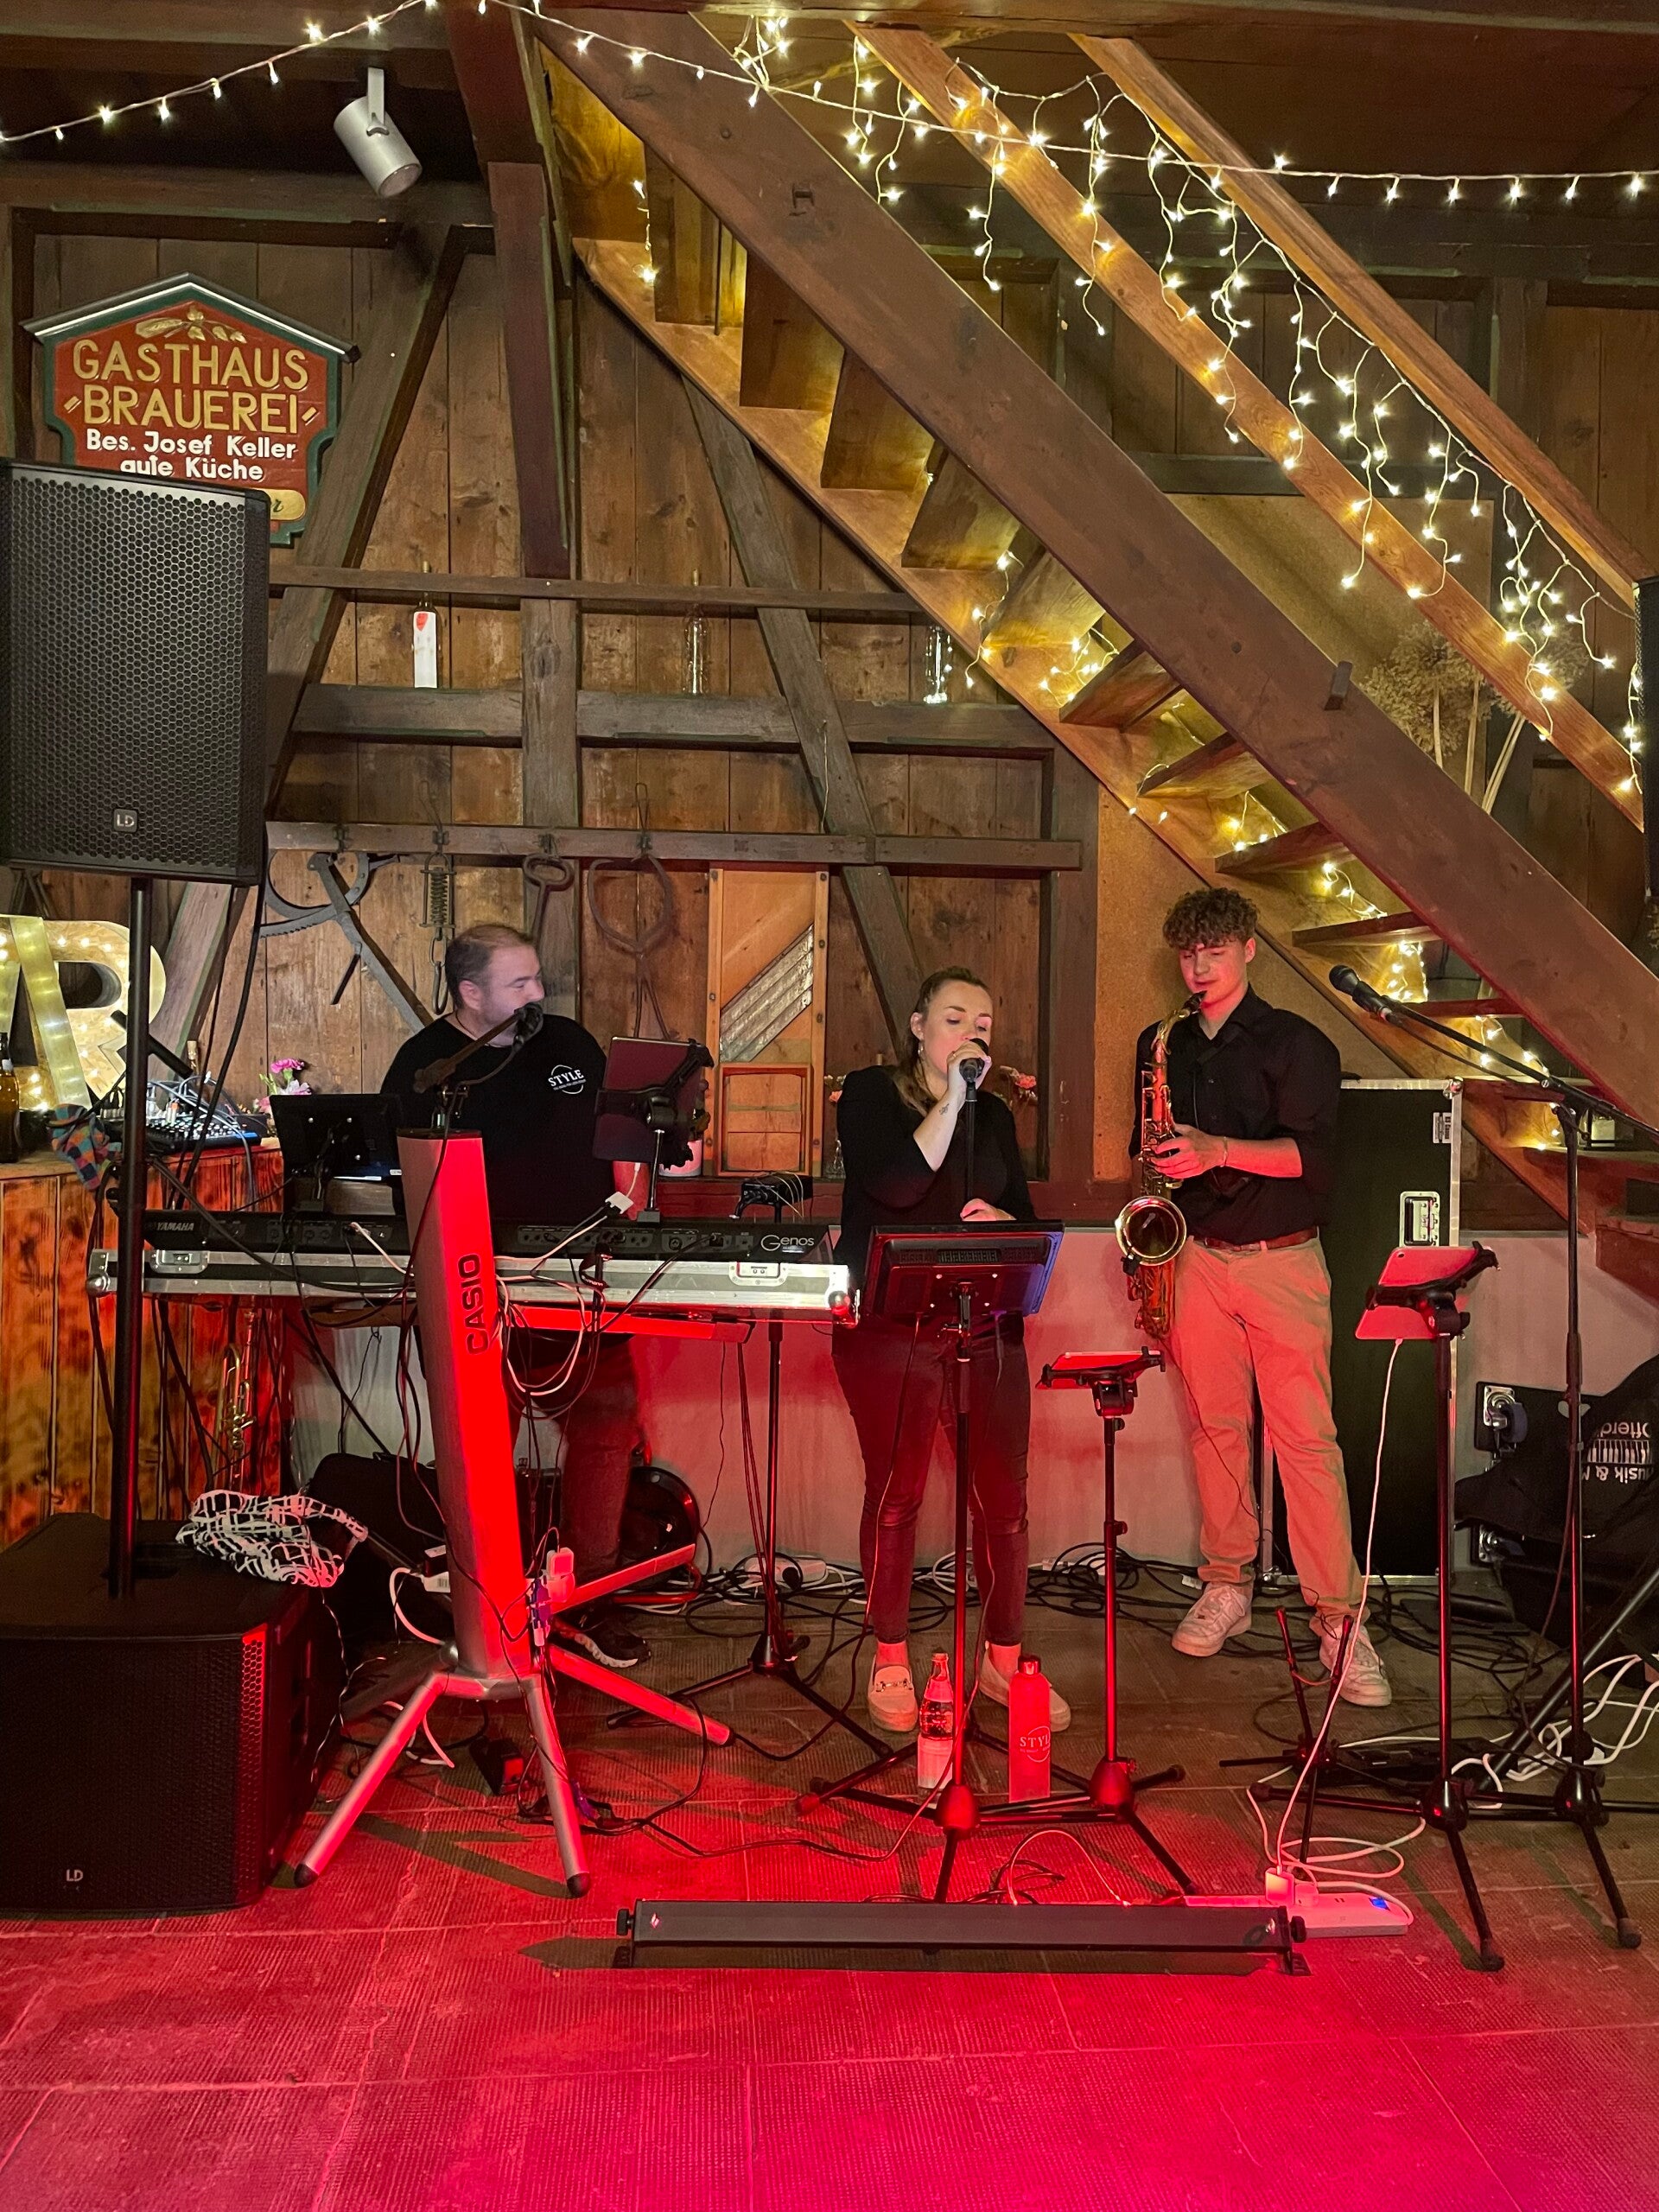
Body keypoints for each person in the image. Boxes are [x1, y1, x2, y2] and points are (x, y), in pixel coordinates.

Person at [1131, 888, 1390, 1707]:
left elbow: (1313, 1160)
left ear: (1248, 949)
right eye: (1187, 954)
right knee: (1214, 1430)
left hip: (1283, 1259)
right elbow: (1151, 1148)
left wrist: (1215, 1150)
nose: (1198, 967)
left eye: (1214, 951)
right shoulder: (1161, 1045)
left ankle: (1339, 1618)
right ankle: (1227, 1585)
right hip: (1194, 1257)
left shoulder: (1297, 1042)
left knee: (1305, 1441)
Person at [382, 922, 649, 1671]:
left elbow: (622, 1136)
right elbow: (402, 1178)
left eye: (538, 979)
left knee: (607, 1427)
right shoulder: (425, 1068)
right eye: (520, 983)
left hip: (580, 1281)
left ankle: (590, 1597)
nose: (539, 994)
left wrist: (635, 1197)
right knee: (479, 1449)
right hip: (475, 1289)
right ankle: (491, 1607)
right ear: (471, 993)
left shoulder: (569, 1043)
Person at [833, 967, 1071, 1738]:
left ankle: (1004, 1660)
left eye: (984, 1023)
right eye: (956, 1018)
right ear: (918, 1026)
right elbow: (899, 1185)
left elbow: (1022, 1214)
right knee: (896, 1494)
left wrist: (1004, 1219)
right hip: (892, 1330)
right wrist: (952, 1100)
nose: (973, 1033)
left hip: (986, 1324)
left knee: (1004, 1501)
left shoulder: (994, 1114)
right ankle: (890, 1655)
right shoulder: (871, 1094)